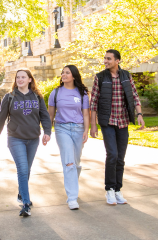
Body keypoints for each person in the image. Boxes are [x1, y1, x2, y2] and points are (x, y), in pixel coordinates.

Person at [0, 69, 51, 217]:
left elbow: (44, 115)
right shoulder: (9, 97)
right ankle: (26, 203)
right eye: (18, 77)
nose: (20, 79)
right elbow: (1, 119)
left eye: (23, 77)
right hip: (15, 138)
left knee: (27, 170)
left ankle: (21, 193)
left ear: (30, 79)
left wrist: (47, 132)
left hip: (33, 139)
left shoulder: (37, 96)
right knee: (23, 169)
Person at [89, 49, 145, 205]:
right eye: (105, 58)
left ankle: (118, 190)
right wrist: (93, 126)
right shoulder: (100, 77)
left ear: (117, 60)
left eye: (109, 58)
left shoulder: (126, 76)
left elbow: (135, 96)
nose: (105, 61)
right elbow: (93, 103)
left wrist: (139, 115)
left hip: (123, 122)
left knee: (120, 158)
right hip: (107, 122)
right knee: (112, 155)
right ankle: (109, 190)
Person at [48, 65, 89, 210]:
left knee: (76, 163)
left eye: (67, 73)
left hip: (78, 129)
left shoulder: (82, 93)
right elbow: (50, 114)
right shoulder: (56, 93)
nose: (63, 75)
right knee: (69, 163)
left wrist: (86, 130)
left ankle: (73, 186)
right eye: (62, 73)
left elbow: (85, 114)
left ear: (74, 76)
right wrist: (47, 131)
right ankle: (72, 198)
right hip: (62, 128)